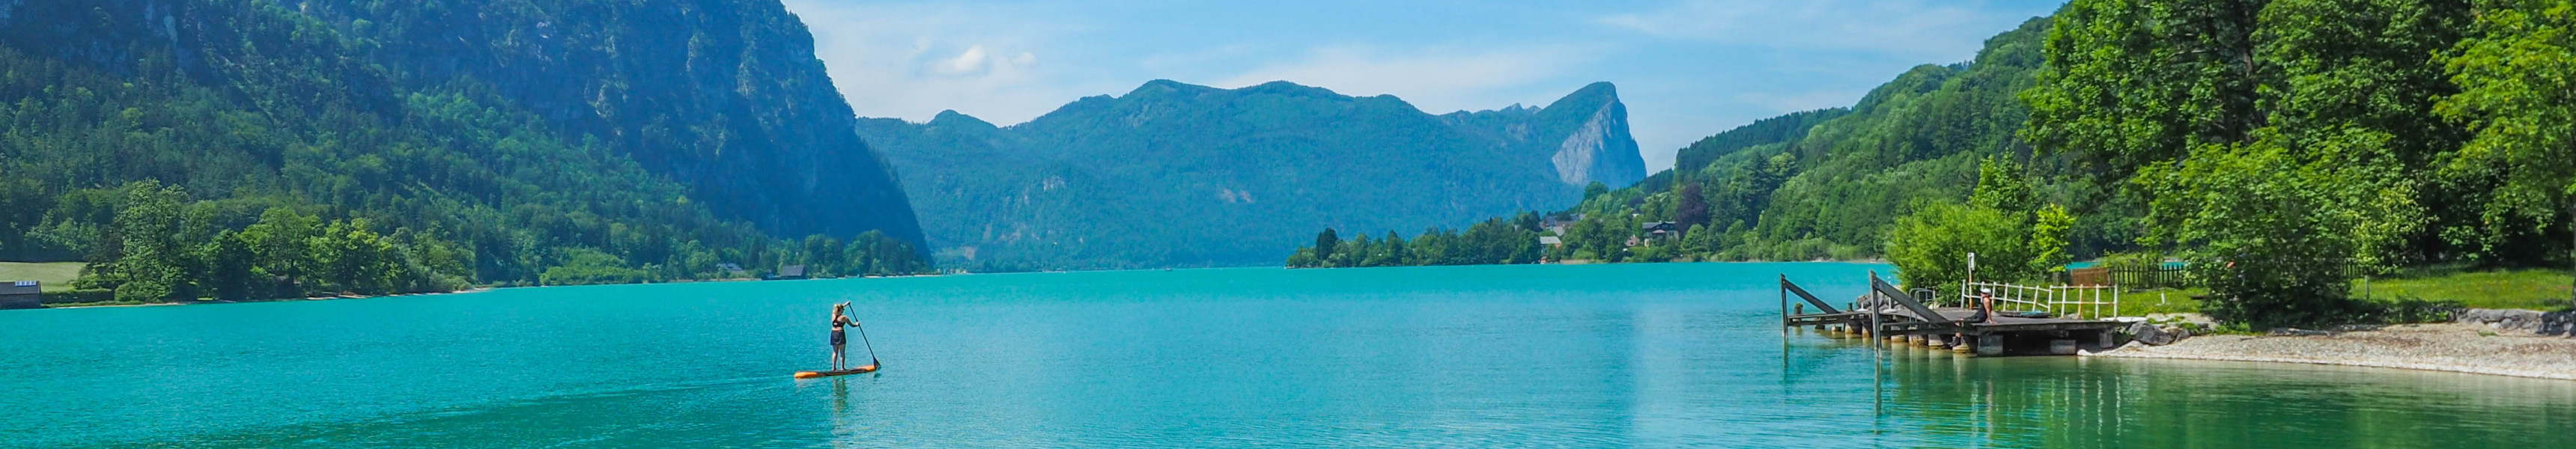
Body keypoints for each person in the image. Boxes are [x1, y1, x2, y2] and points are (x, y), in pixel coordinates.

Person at [829, 302, 855, 370]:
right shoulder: (844, 318)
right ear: (841, 310)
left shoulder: (833, 315)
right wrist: (857, 324)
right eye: (843, 309)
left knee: (835, 352)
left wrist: (845, 305)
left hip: (833, 334)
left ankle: (833, 368)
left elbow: (837, 309)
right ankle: (842, 368)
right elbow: (852, 325)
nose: (844, 310)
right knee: (842, 352)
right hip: (840, 334)